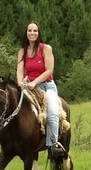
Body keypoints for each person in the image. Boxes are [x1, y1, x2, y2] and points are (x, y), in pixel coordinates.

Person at [16, 21, 65, 157]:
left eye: (35, 31)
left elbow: (49, 70)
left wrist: (35, 82)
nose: (32, 33)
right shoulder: (22, 51)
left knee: (53, 113)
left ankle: (53, 144)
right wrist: (20, 82)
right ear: (26, 33)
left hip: (46, 86)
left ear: (39, 33)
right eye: (29, 31)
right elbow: (20, 70)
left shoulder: (46, 49)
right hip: (29, 86)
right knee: (12, 106)